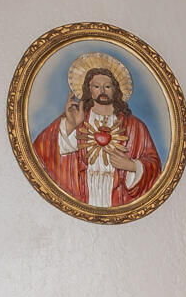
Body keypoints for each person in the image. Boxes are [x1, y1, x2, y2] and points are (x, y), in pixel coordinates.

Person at [33, 52, 162, 210]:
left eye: (107, 86)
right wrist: (70, 126)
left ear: (116, 89)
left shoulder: (134, 126)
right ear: (89, 89)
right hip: (81, 194)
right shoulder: (76, 118)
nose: (102, 90)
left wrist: (132, 166)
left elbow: (154, 164)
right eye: (96, 86)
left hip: (118, 198)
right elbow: (41, 150)